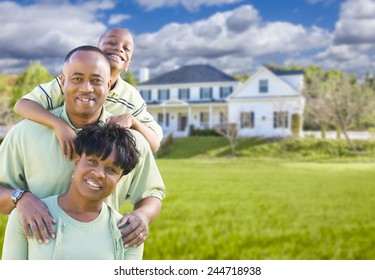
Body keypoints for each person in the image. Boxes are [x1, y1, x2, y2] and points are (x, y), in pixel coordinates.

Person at [0, 45, 165, 249]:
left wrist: (143, 215)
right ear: (63, 81)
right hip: (36, 254)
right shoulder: (24, 133)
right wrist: (20, 198)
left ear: (109, 83)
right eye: (77, 79)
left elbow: (152, 193)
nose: (86, 88)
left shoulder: (131, 142)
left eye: (96, 81)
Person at [2, 123, 143, 260]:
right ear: (76, 162)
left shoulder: (129, 232)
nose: (99, 173)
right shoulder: (28, 216)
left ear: (119, 179)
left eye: (111, 169)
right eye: (92, 161)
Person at [14, 28, 162, 156]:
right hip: (57, 151)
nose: (119, 48)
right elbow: (22, 105)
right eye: (111, 42)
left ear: (128, 64)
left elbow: (154, 144)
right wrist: (59, 125)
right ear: (96, 51)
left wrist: (133, 121)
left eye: (126, 48)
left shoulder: (131, 97)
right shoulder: (71, 82)